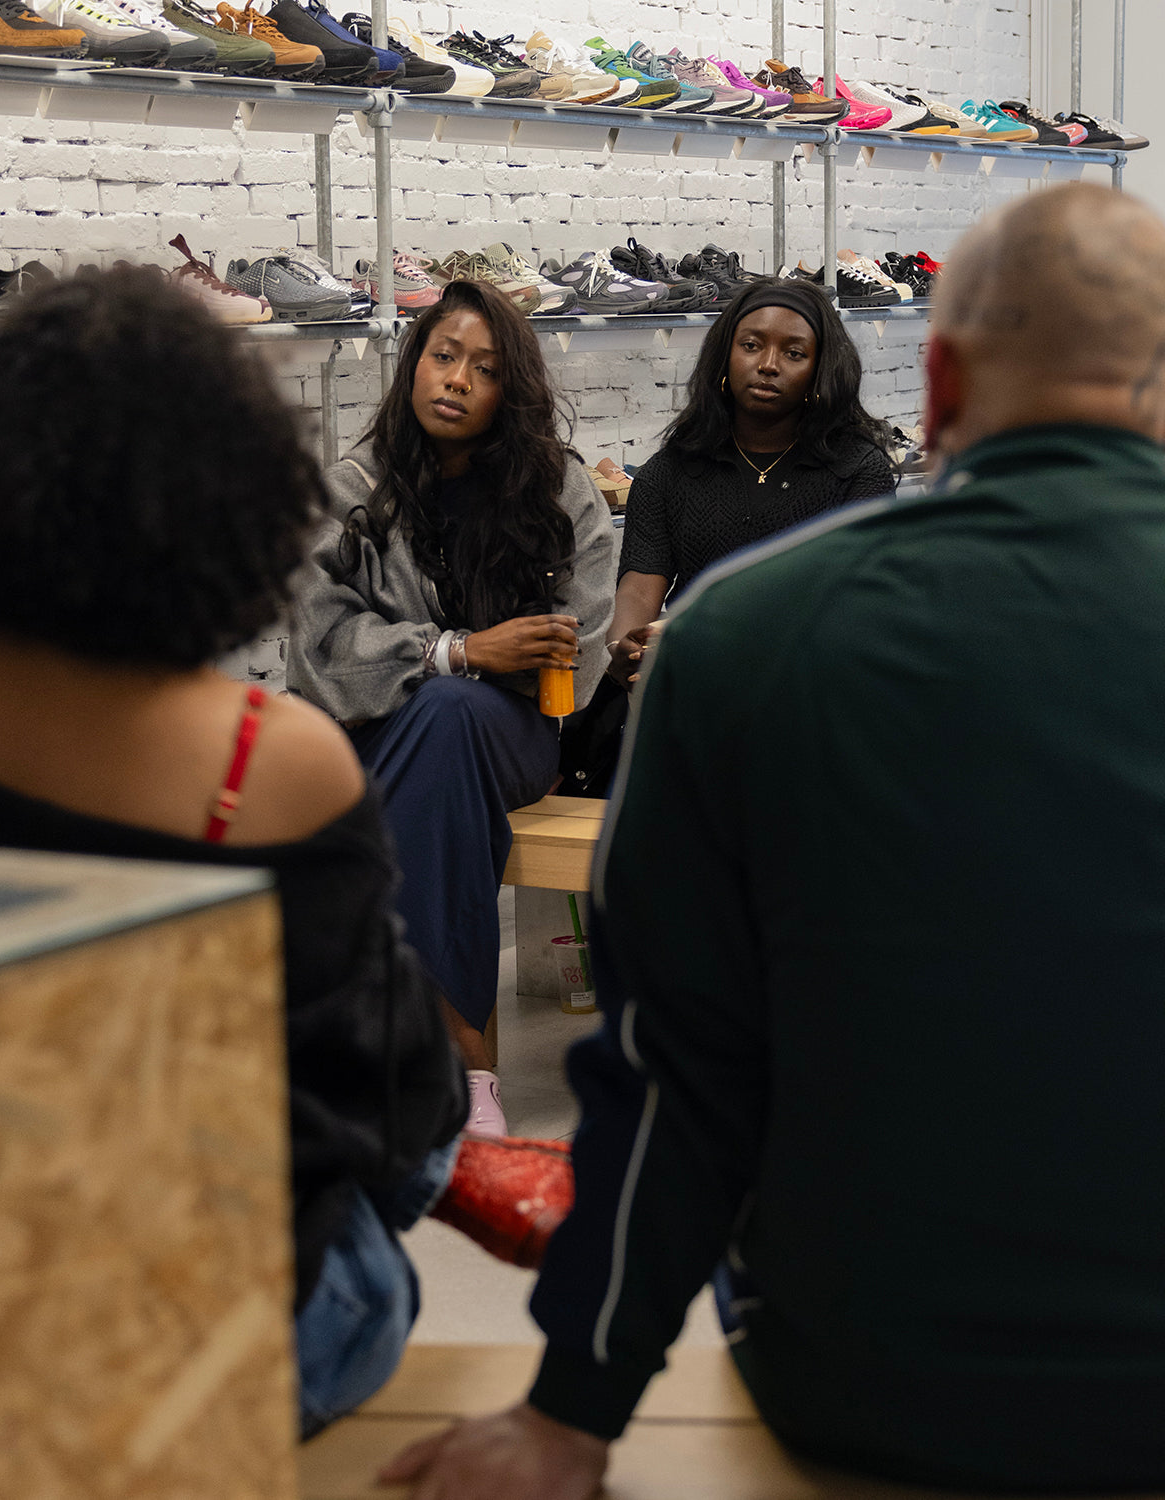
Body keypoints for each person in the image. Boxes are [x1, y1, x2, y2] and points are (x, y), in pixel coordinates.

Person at [381, 182, 1165, 1496]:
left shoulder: (744, 635)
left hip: (869, 1382)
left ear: (942, 386)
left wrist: (573, 1412)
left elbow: (674, 1069)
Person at [0, 266, 571, 1443]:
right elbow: (385, 1090)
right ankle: (461, 1165)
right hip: (208, 1336)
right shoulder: (266, 762)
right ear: (233, 499)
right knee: (376, 1131)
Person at [286, 278, 616, 1136]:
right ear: (415, 365)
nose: (458, 379)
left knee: (449, 717)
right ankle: (460, 1075)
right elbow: (316, 648)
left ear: (513, 390)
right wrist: (461, 652)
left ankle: (427, 1056)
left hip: (511, 734)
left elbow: (580, 654)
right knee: (434, 723)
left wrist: (494, 669)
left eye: (485, 368)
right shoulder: (355, 489)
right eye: (443, 356)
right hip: (376, 732)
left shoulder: (558, 489)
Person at [605, 275, 895, 690]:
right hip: (695, 687)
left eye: (794, 353)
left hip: (812, 690)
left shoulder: (857, 471)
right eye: (751, 345)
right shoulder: (670, 472)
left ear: (819, 371)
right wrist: (625, 646)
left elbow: (858, 611)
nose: (768, 365)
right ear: (725, 356)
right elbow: (638, 588)